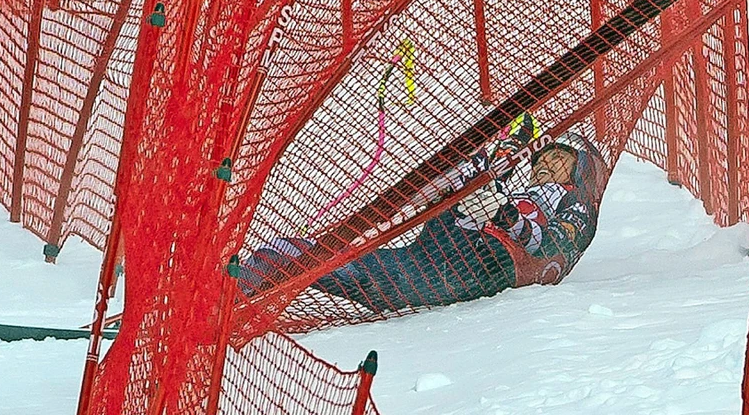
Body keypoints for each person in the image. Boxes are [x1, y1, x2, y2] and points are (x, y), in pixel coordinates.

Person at [241, 127, 611, 313]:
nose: (543, 165)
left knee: (332, 265)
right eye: (540, 159)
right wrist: (489, 195)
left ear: (582, 168)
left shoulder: (574, 208)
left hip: (462, 270)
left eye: (556, 158)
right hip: (441, 259)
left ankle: (247, 282)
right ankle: (255, 274)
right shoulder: (536, 196)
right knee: (321, 261)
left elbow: (540, 245)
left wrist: (497, 211)